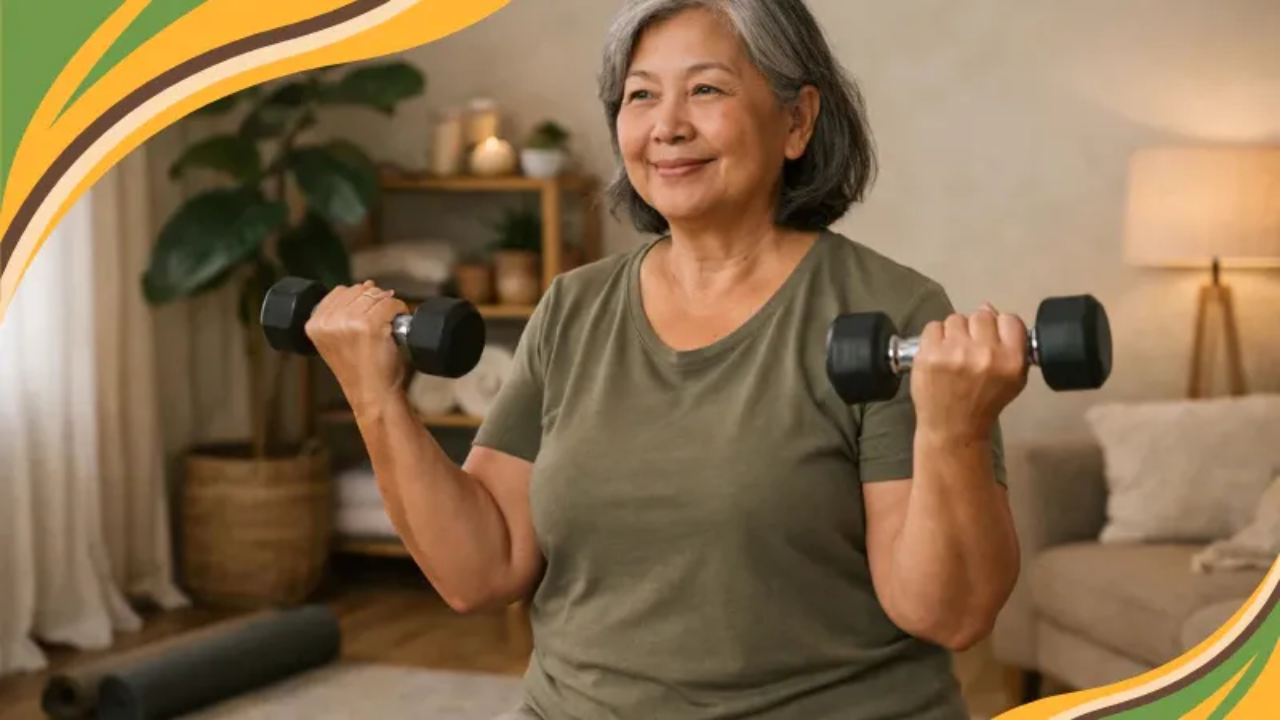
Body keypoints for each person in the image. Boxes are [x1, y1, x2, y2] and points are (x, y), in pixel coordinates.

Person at [303, 0, 1025, 718]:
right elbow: (481, 570)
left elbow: (949, 615)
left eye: (706, 89)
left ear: (797, 120)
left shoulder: (891, 313)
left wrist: (952, 432)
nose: (666, 126)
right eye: (640, 95)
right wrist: (376, 399)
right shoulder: (572, 309)